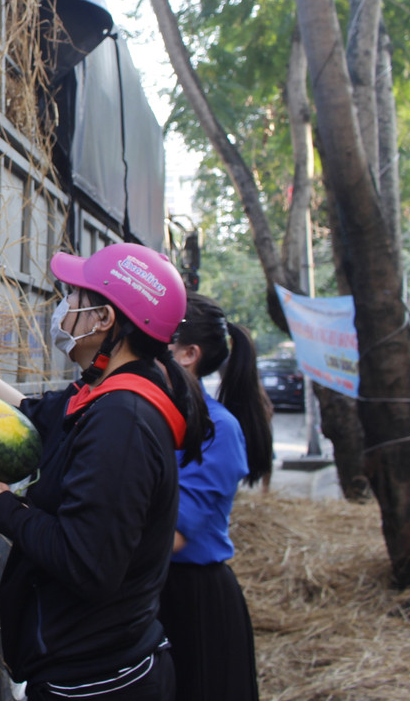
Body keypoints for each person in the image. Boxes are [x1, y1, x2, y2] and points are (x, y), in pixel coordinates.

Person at [0, 243, 211, 701]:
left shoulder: (122, 423)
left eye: (74, 295)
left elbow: (85, 563)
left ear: (103, 319)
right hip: (84, 671)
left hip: (97, 685)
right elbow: (30, 417)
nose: (64, 305)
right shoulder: (107, 394)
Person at [161, 293, 273, 701]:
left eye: (156, 336)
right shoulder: (149, 413)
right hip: (152, 589)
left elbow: (174, 537)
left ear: (188, 354)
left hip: (191, 600)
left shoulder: (218, 429)